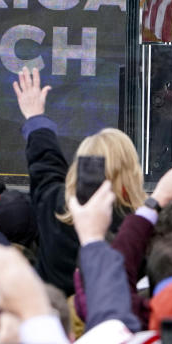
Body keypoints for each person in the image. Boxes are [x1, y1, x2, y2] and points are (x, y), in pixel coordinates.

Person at [13, 66, 147, 294]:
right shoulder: (139, 228)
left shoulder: (54, 207)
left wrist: (35, 117)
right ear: (131, 172)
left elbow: (45, 164)